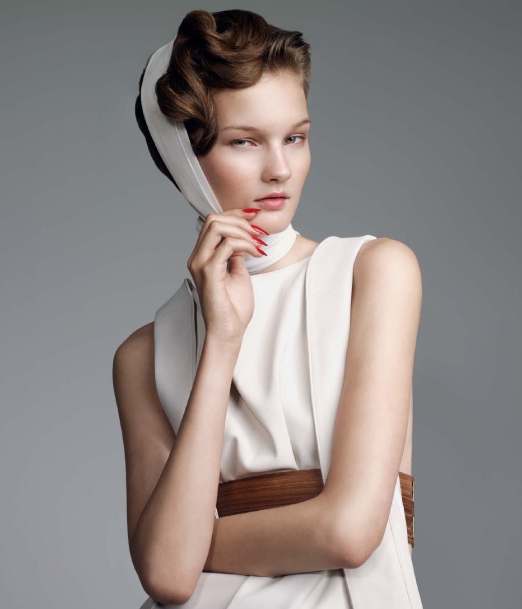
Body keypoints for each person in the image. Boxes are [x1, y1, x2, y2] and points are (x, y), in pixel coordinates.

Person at [112, 9, 423, 609]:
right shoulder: (143, 356)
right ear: (184, 158)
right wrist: (222, 340)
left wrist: (187, 544)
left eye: (295, 137)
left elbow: (348, 532)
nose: (280, 169)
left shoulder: (374, 273)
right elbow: (168, 580)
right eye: (244, 141)